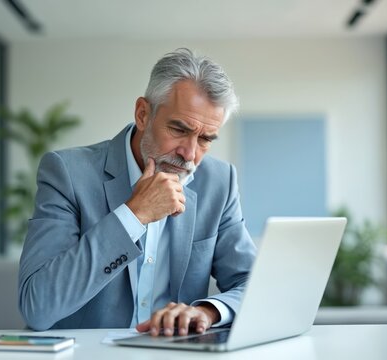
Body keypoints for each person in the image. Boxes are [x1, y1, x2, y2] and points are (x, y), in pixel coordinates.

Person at [18, 48, 256, 337]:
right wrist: (133, 215)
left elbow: (253, 284)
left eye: (205, 139)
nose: (190, 154)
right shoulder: (68, 173)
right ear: (143, 114)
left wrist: (207, 311)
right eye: (179, 130)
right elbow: (38, 305)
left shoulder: (219, 182)